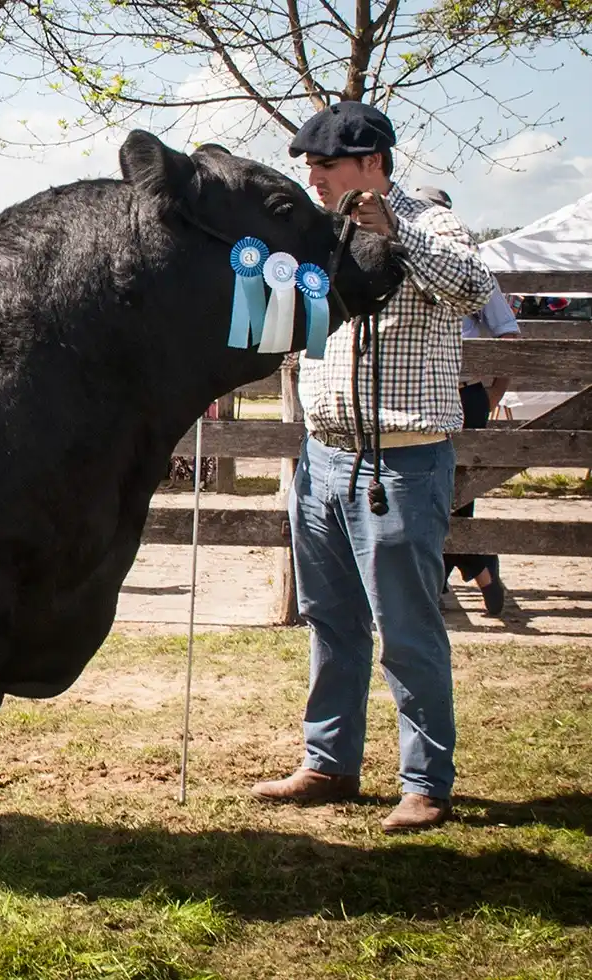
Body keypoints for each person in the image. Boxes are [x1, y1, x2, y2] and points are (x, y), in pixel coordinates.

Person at [249, 102, 496, 833]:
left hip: (401, 463)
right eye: (309, 167)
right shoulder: (318, 238)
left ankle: (424, 781)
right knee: (329, 619)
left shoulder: (430, 223)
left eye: (325, 165)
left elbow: (473, 291)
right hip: (321, 455)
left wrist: (395, 238)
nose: (313, 178)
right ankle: (327, 764)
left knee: (406, 626)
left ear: (371, 164)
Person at [413, 185, 517, 616]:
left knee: (457, 492)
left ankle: (460, 574)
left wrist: (493, 392)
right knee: (427, 491)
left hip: (462, 394)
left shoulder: (472, 272)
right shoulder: (405, 267)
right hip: (418, 395)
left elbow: (507, 332)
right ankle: (479, 571)